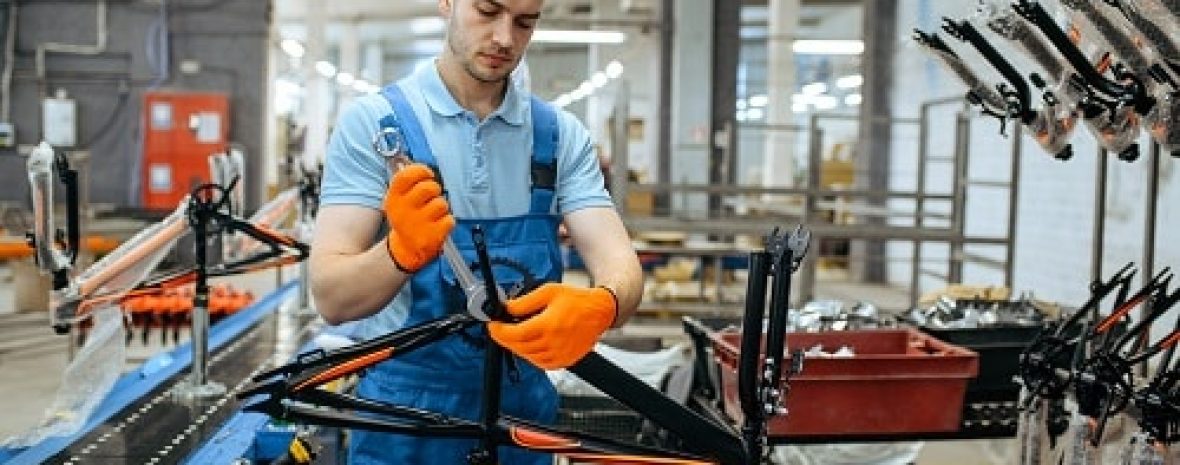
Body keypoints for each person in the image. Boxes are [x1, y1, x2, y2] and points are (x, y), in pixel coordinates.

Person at [309, 0, 644, 463]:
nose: (506, 38)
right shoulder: (376, 128)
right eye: (488, 11)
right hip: (405, 425)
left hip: (520, 425)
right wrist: (398, 253)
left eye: (525, 22)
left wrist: (606, 303)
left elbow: (623, 270)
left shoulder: (560, 136)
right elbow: (332, 298)